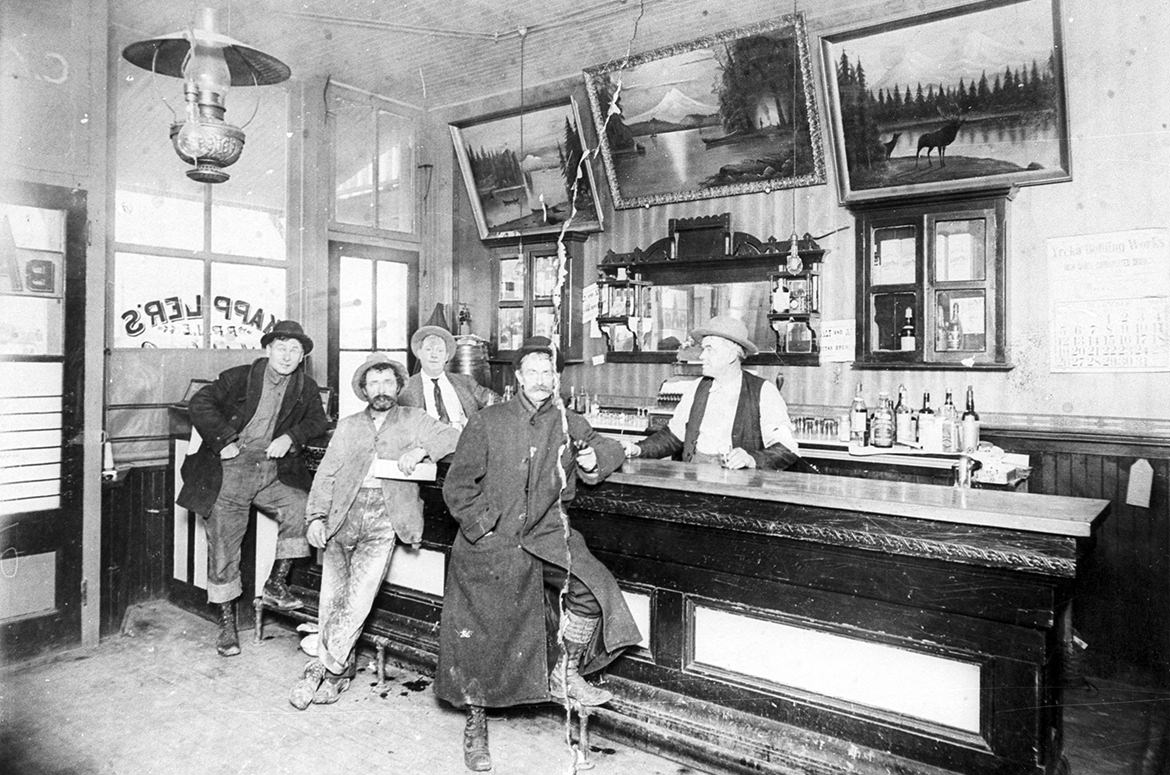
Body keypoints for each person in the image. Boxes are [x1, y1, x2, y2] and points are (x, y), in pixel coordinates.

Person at [436, 336, 642, 772]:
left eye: (548, 372)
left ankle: (563, 670)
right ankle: (475, 718)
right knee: (483, 626)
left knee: (592, 586)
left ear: (557, 378)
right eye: (532, 371)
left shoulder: (568, 421)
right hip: (492, 537)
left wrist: (591, 462)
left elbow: (607, 449)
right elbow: (457, 487)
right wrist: (483, 528)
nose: (541, 380)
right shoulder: (489, 420)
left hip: (549, 533)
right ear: (518, 377)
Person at [288, 353, 459, 709]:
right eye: (373, 383)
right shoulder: (349, 426)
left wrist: (422, 449)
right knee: (331, 598)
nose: (381, 389)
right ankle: (338, 672)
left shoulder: (415, 419)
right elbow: (327, 474)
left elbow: (455, 436)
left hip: (385, 519)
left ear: (398, 387)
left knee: (358, 599)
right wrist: (315, 517)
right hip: (342, 515)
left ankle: (321, 670)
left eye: (388, 382)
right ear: (364, 390)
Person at [177, 320, 329, 657]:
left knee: (303, 507)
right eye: (282, 347)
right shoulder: (240, 376)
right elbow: (199, 403)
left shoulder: (305, 387)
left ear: (302, 356)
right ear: (268, 349)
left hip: (271, 470)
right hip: (229, 470)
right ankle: (227, 625)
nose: (288, 356)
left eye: (295, 350)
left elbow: (319, 421)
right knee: (224, 548)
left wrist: (291, 437)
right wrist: (224, 441)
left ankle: (276, 583)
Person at [625, 315, 811, 472]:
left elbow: (787, 448)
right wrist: (638, 449)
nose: (701, 356)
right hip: (694, 481)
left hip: (739, 490)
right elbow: (673, 436)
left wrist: (751, 459)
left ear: (732, 355)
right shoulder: (696, 388)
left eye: (709, 349)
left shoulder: (764, 392)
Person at [397, 318, 497, 431]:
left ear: (446, 357)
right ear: (419, 353)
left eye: (440, 351)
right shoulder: (406, 389)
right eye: (429, 350)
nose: (434, 355)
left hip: (464, 443)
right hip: (427, 446)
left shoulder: (465, 382)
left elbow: (494, 400)